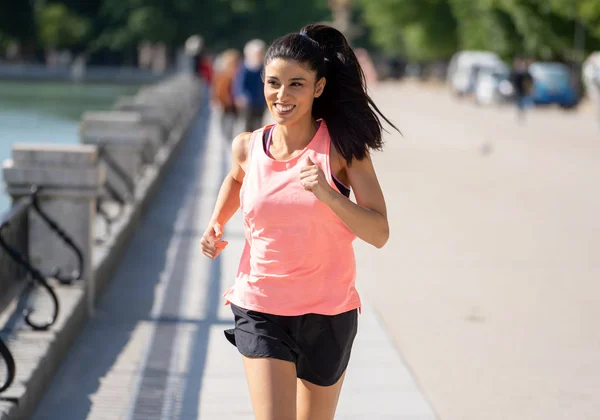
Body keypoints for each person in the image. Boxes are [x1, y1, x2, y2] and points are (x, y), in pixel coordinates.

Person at [200, 23, 398, 420]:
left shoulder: (344, 150)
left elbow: (379, 233)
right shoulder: (247, 145)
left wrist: (327, 193)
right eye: (274, 83)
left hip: (328, 312)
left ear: (318, 88)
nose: (282, 95)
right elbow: (238, 178)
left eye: (296, 84)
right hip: (260, 306)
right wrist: (215, 223)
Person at [234, 39, 267, 132]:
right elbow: (239, 84)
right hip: (248, 102)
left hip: (260, 101)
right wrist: (240, 95)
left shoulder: (263, 67)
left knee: (259, 124)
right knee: (246, 124)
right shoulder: (245, 68)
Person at [212, 49, 242, 140]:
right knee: (226, 131)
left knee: (234, 128)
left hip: (235, 107)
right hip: (225, 107)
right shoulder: (222, 76)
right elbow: (217, 91)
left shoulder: (239, 75)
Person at [510, 57, 534, 122]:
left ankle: (521, 114)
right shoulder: (517, 72)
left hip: (523, 90)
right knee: (520, 103)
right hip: (519, 89)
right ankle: (520, 114)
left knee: (522, 103)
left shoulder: (524, 73)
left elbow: (528, 81)